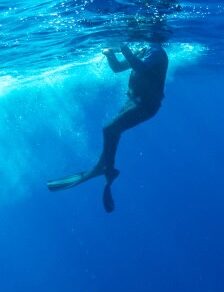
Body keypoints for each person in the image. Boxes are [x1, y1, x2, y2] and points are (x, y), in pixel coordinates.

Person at [47, 39, 169, 213]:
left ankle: (105, 167)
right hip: (133, 101)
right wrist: (110, 54)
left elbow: (140, 67)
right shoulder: (145, 48)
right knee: (113, 131)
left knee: (110, 129)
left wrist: (123, 46)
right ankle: (106, 167)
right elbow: (118, 67)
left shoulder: (156, 51)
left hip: (146, 105)